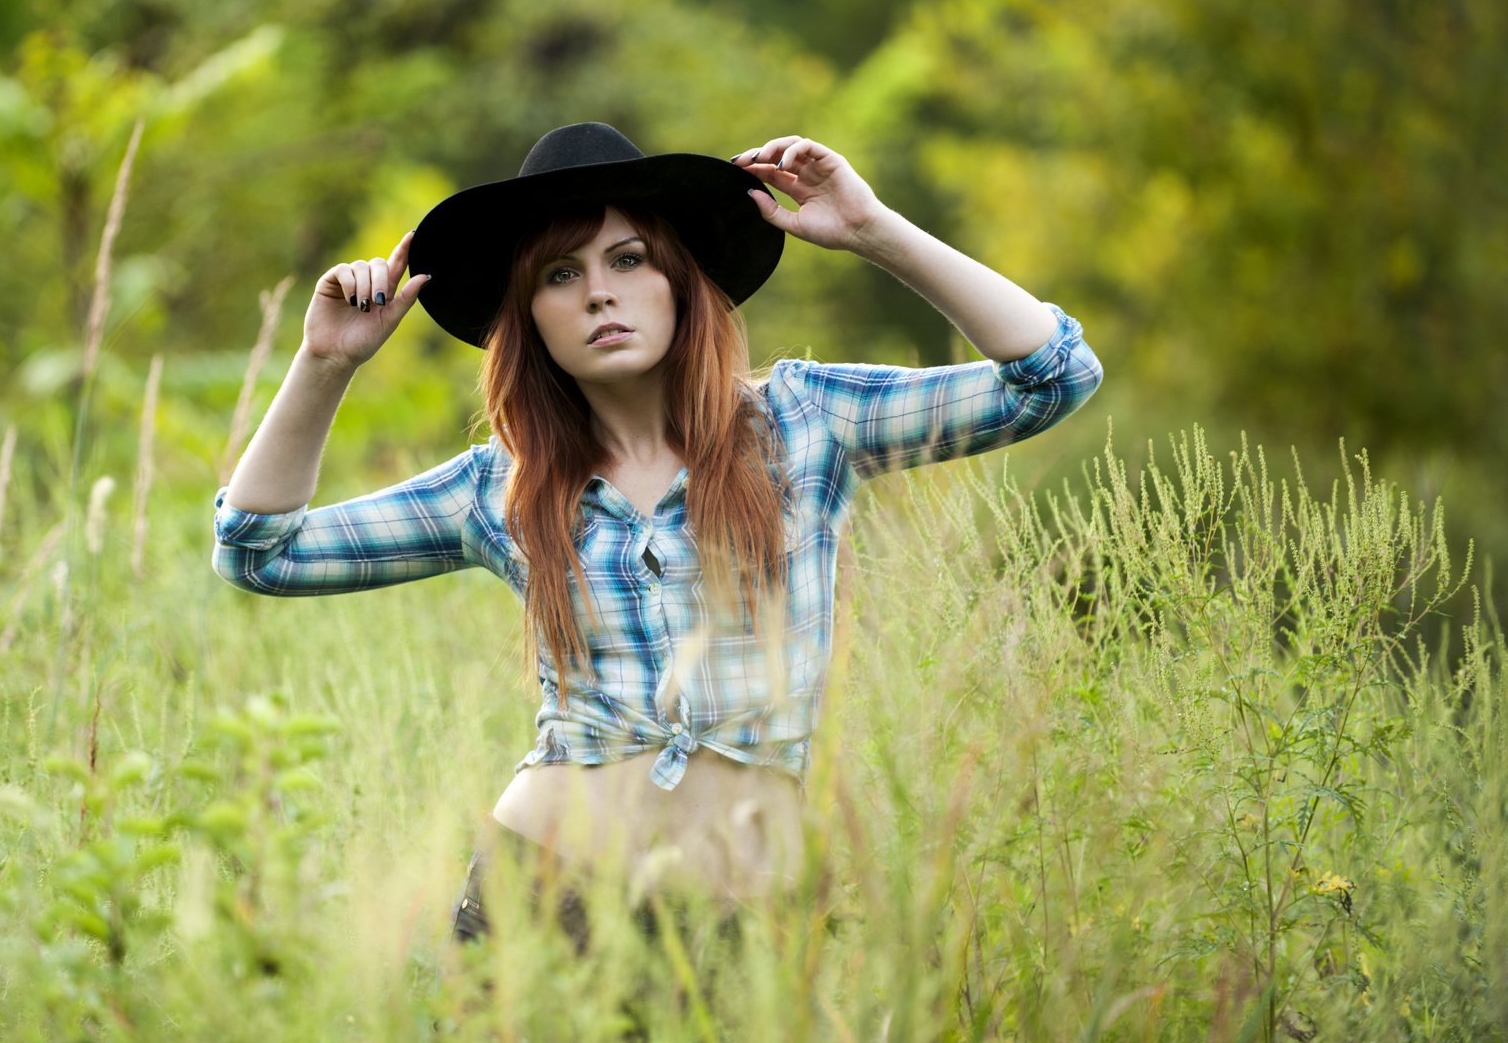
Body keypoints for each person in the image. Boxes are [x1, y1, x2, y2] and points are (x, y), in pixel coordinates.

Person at [211, 122, 1104, 954]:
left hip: (755, 917)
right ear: (530, 319)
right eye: (560, 274)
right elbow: (258, 551)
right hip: (547, 899)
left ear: (677, 279)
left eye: (628, 259)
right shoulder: (502, 490)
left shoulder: (805, 422)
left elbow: (1053, 375)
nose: (599, 289)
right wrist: (326, 363)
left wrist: (873, 231)